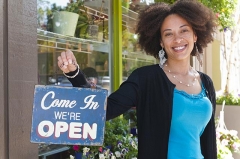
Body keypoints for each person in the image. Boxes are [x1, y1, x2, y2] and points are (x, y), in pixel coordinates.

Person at [57, 0, 217, 158]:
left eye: (184, 31)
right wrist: (75, 74)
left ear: (195, 35)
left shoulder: (206, 82)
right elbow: (105, 109)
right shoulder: (146, 79)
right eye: (169, 33)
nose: (177, 39)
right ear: (161, 42)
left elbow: (208, 142)